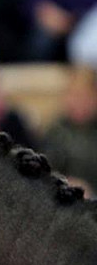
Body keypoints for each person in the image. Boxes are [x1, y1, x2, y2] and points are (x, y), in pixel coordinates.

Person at [42, 66, 97, 196]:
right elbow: (44, 173)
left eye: (87, 97)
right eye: (74, 96)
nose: (80, 103)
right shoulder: (55, 131)